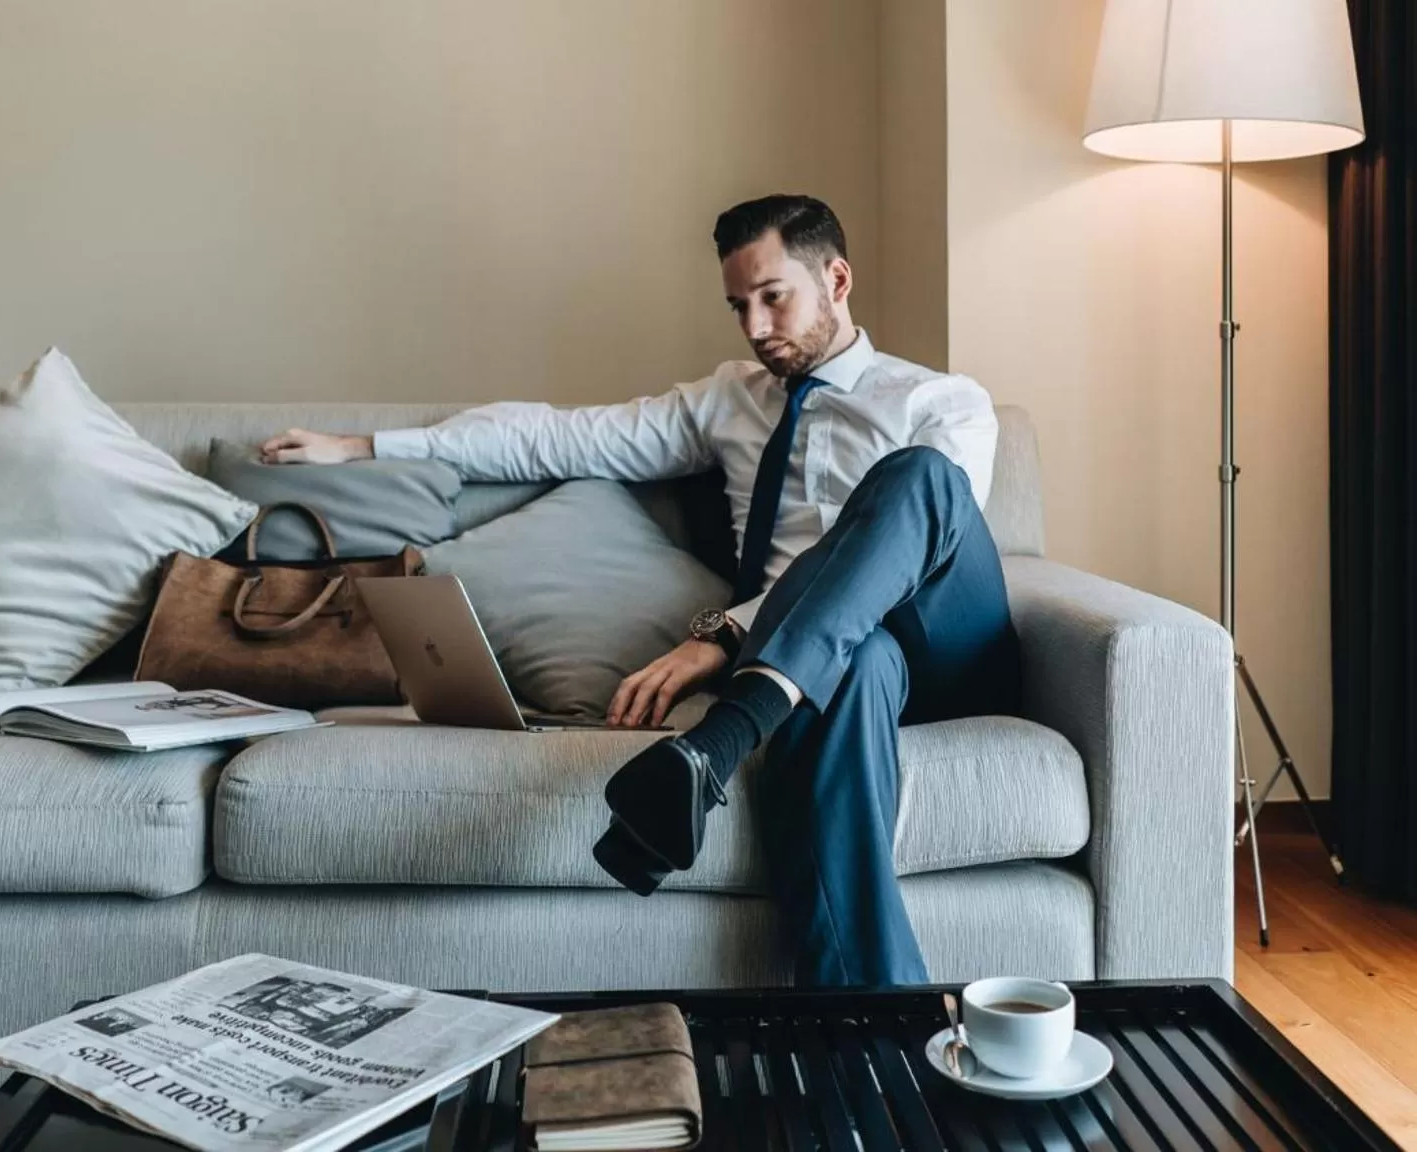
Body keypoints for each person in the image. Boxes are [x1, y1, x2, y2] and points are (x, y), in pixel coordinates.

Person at [259, 194, 1018, 987]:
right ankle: (868, 1036)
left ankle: (720, 738)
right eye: (737, 307)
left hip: (942, 643)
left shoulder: (939, 402)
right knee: (852, 664)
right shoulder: (729, 401)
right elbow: (555, 435)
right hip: (831, 670)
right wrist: (367, 446)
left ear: (836, 277)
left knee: (917, 480)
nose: (755, 328)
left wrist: (723, 634)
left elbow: (924, 544)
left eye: (772, 297)